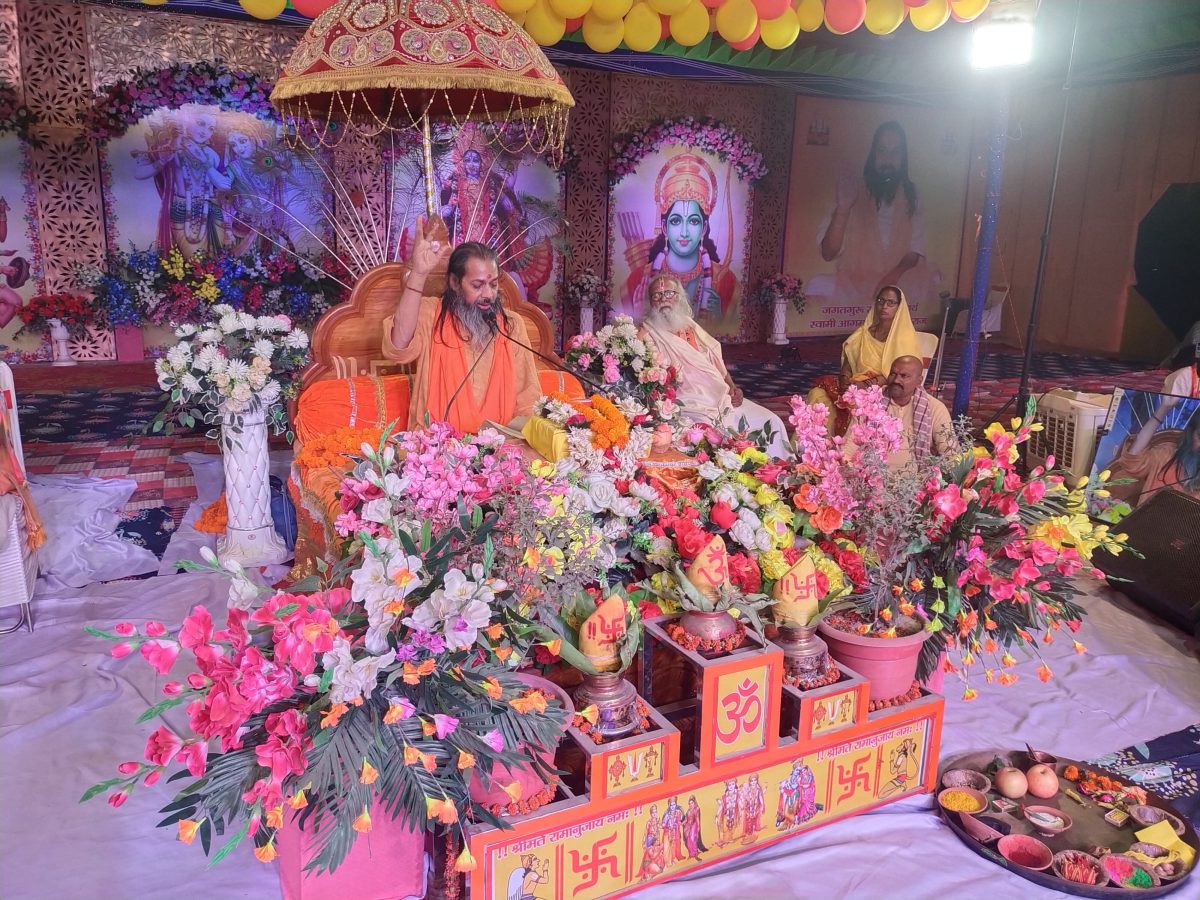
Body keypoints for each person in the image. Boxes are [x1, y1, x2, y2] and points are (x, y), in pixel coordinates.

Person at [382, 218, 541, 434]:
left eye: (493, 284)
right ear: (455, 283)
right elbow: (398, 347)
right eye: (477, 285)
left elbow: (528, 398)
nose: (488, 294)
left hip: (501, 447)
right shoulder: (431, 314)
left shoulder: (511, 326)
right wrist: (418, 274)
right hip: (435, 446)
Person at [639, 274, 789, 458]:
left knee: (772, 421)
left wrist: (733, 387)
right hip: (687, 402)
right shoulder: (646, 332)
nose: (663, 299)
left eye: (669, 293)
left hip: (719, 395)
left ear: (679, 297)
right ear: (650, 302)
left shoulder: (689, 326)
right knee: (716, 433)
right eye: (657, 295)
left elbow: (716, 361)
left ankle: (774, 471)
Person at [809, 120, 941, 312]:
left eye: (895, 152)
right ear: (872, 154)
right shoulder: (852, 188)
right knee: (816, 284)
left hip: (899, 280)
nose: (888, 160)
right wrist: (843, 207)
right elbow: (829, 253)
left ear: (903, 157)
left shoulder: (912, 195)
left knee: (928, 282)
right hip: (855, 280)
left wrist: (890, 280)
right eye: (882, 150)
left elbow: (914, 252)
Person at [621, 153, 736, 323]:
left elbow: (727, 328)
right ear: (664, 228)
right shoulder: (636, 281)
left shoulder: (726, 281)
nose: (684, 232)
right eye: (676, 221)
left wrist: (718, 318)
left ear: (704, 228)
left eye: (693, 221)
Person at [806, 284, 923, 436]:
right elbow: (850, 357)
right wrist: (845, 378)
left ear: (899, 307)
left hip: (883, 389)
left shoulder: (905, 338)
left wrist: (865, 385)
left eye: (891, 303)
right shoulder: (864, 332)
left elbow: (900, 375)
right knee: (818, 394)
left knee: (856, 403)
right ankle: (816, 444)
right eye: (881, 300)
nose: (884, 306)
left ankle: (843, 444)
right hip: (855, 384)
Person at [1108, 402, 1200, 506]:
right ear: (1190, 433)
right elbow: (1132, 463)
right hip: (1145, 516)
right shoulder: (1166, 455)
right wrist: (1163, 408)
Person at [878, 355, 955, 470]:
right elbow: (852, 443)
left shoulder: (935, 408)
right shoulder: (873, 402)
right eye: (893, 374)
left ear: (919, 381)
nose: (896, 380)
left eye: (904, 376)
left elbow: (950, 452)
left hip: (917, 478)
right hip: (872, 476)